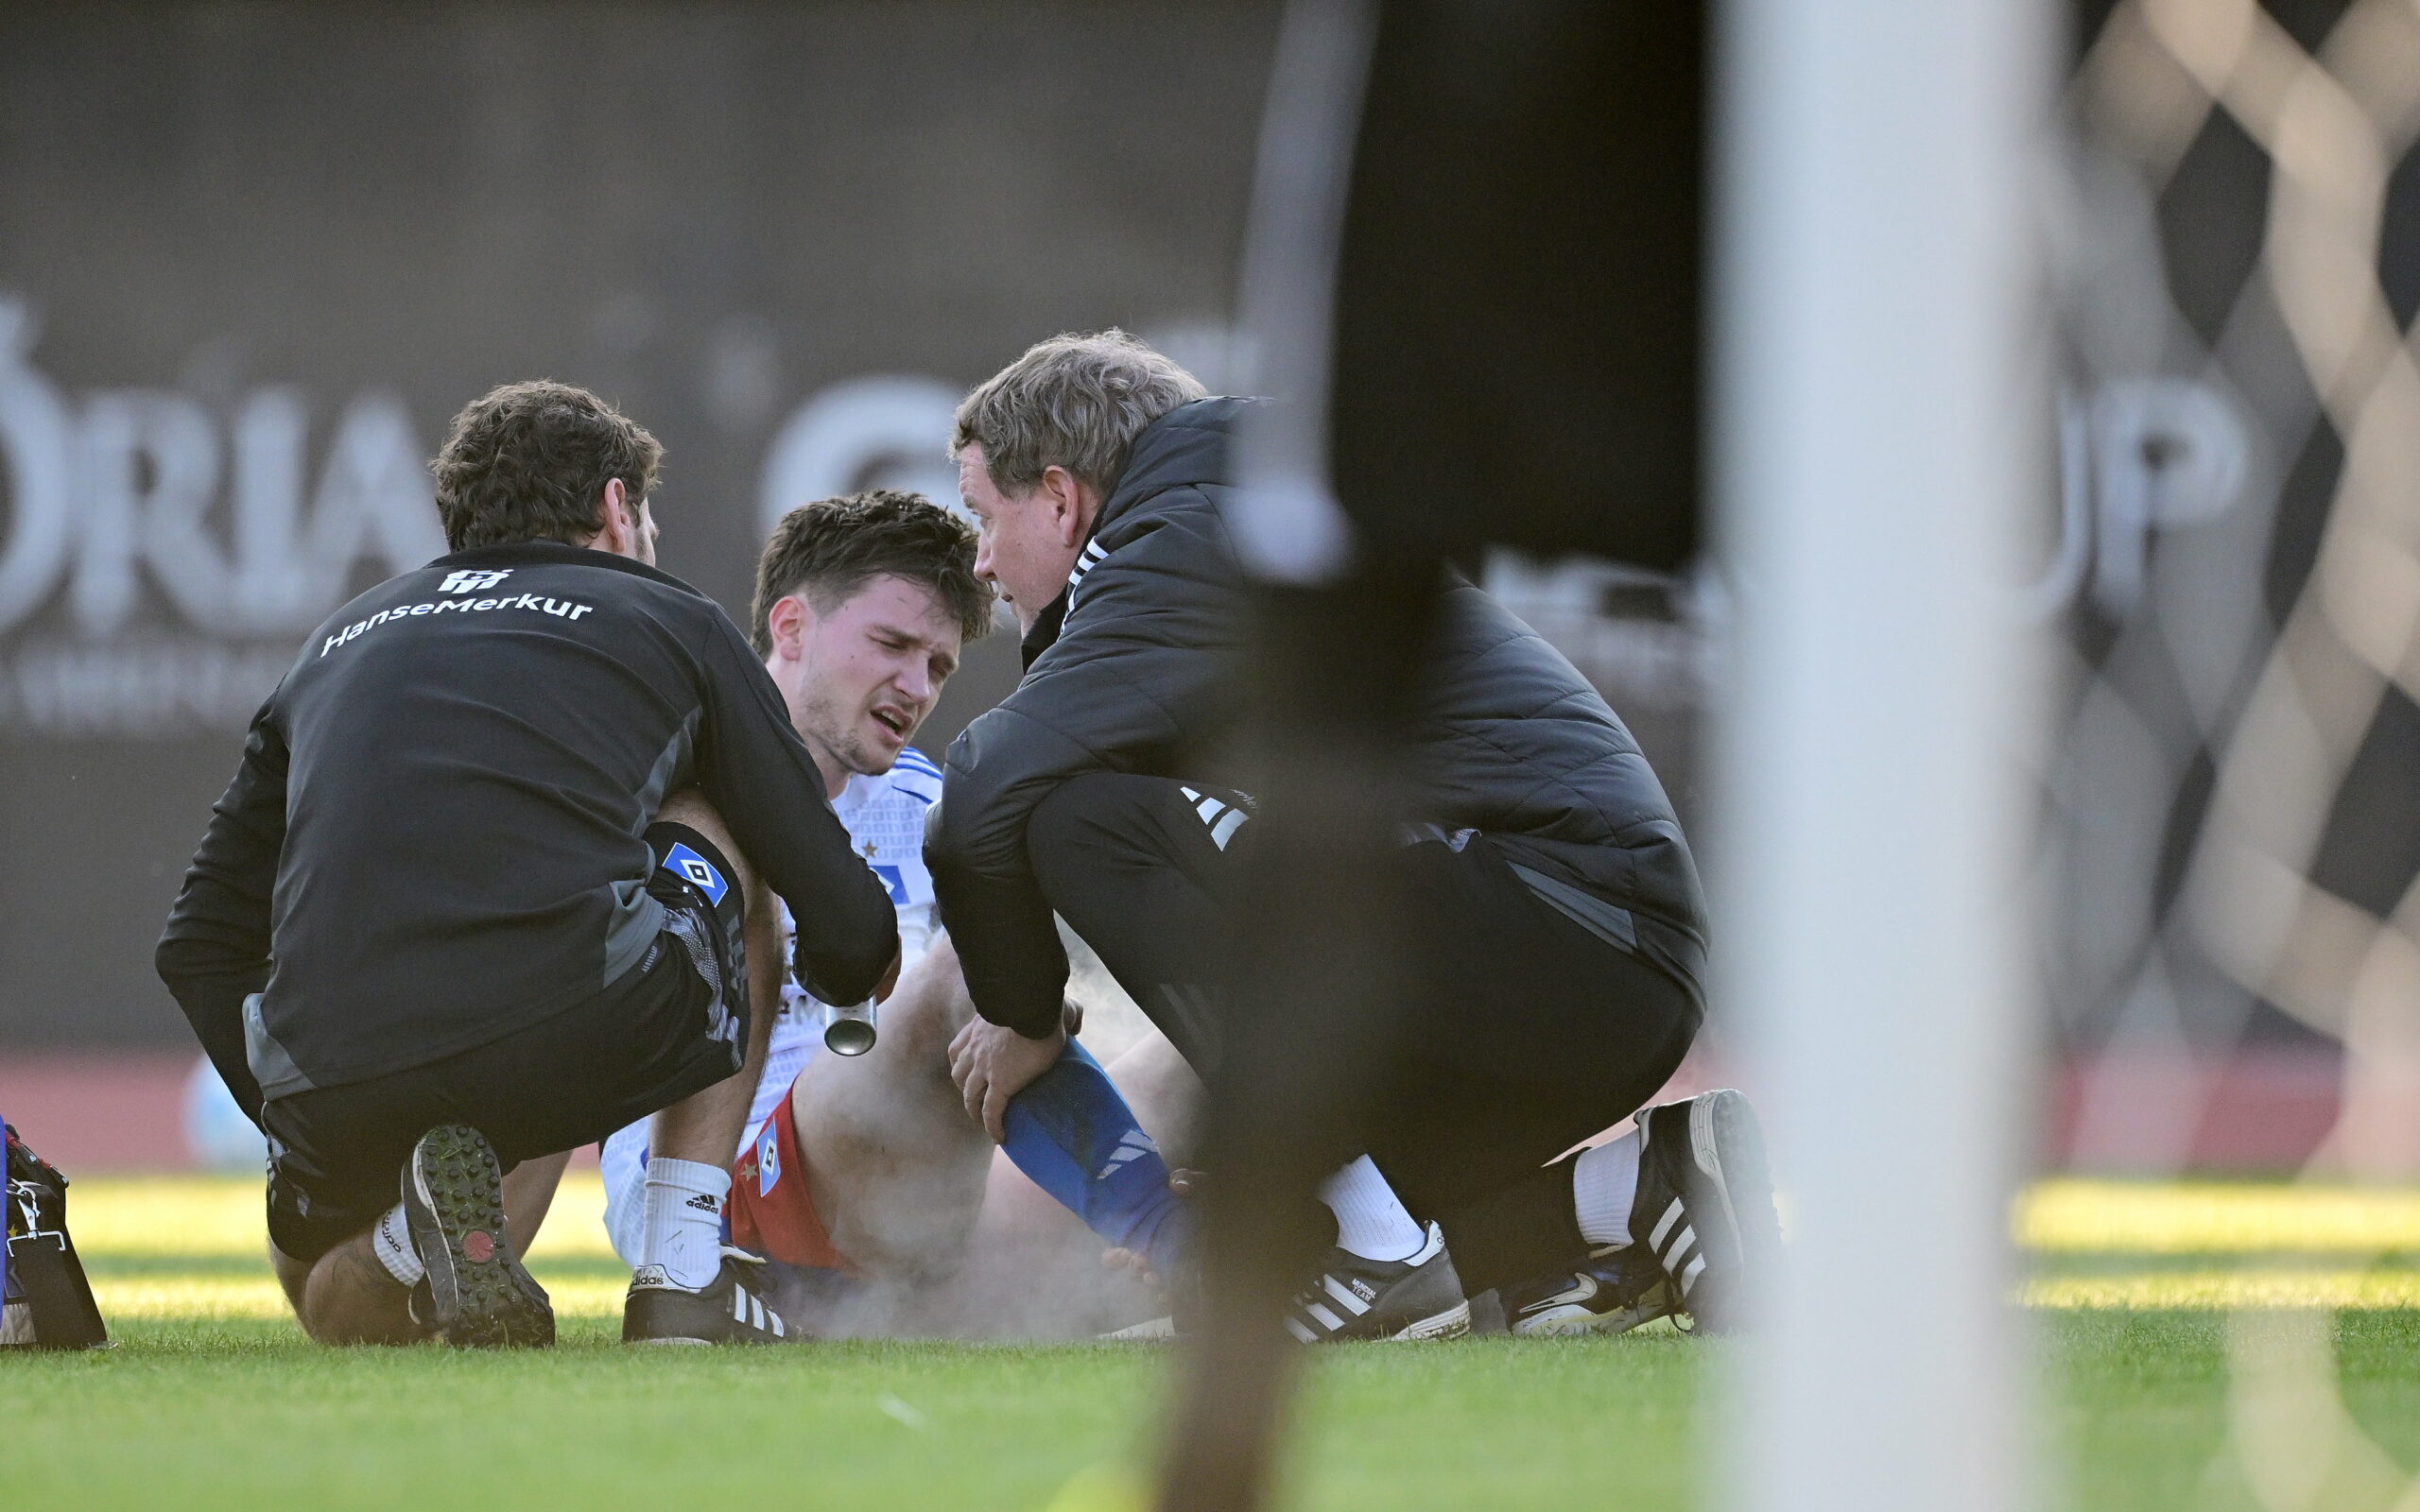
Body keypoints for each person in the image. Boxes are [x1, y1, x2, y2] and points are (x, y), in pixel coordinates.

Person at [931, 332, 1778, 1337]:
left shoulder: (1182, 530)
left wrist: (1021, 1012)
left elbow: (983, 792)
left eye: (984, 518)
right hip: (1594, 961)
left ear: (1062, 498)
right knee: (1351, 1222)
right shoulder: (1238, 510)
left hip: (1561, 926)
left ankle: (1366, 1241)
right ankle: (1640, 1185)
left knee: (1076, 815)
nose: (980, 561)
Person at [154, 380, 898, 1349]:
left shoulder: (335, 639)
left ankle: (400, 1241)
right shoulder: (672, 617)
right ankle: (682, 1274)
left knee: (326, 1300)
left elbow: (196, 945)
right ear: (617, 507)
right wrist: (850, 981)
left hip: (336, 1071)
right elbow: (844, 920)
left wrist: (294, 1106)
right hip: (558, 1039)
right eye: (649, 515)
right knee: (714, 813)